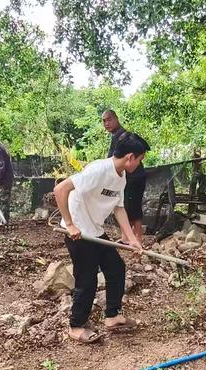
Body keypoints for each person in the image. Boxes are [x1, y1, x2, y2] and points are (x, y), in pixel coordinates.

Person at [54, 132, 149, 344]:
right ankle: (76, 326)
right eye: (141, 159)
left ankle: (113, 316)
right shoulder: (98, 170)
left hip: (95, 230)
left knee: (116, 268)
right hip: (78, 233)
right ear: (130, 157)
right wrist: (69, 224)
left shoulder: (121, 176)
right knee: (86, 279)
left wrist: (131, 237)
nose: (140, 164)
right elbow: (60, 189)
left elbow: (119, 207)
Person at [102, 110, 149, 242]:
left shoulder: (123, 137)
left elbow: (113, 159)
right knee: (128, 205)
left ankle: (135, 237)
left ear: (117, 119)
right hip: (131, 176)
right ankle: (130, 237)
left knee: (130, 205)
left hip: (133, 177)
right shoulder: (118, 136)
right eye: (104, 121)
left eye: (109, 119)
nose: (106, 123)